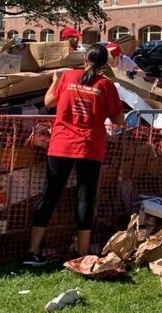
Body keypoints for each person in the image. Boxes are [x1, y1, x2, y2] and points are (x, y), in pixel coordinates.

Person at [24, 45, 125, 266]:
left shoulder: (68, 77)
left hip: (61, 145)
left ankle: (32, 252)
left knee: (49, 195)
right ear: (105, 64)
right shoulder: (106, 85)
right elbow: (119, 121)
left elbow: (49, 102)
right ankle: (83, 254)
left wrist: (54, 81)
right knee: (85, 198)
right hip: (89, 147)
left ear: (84, 59)